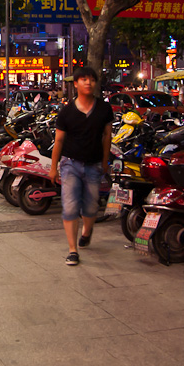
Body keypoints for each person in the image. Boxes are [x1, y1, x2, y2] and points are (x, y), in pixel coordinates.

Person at [48, 66, 114, 266]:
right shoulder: (66, 112)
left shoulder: (104, 109)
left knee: (91, 206)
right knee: (70, 206)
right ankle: (72, 249)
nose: (88, 83)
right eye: (83, 80)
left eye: (91, 80)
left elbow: (107, 136)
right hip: (70, 165)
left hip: (94, 164)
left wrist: (104, 162)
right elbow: (58, 141)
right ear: (75, 84)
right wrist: (53, 167)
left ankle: (87, 230)